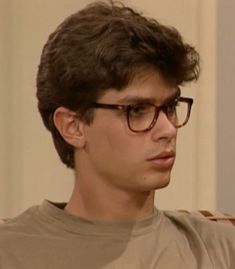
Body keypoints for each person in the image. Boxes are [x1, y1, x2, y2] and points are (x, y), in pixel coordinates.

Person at [0, 1, 234, 268]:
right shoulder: (11, 252)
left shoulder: (220, 249)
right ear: (72, 127)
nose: (168, 129)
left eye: (169, 107)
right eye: (136, 110)